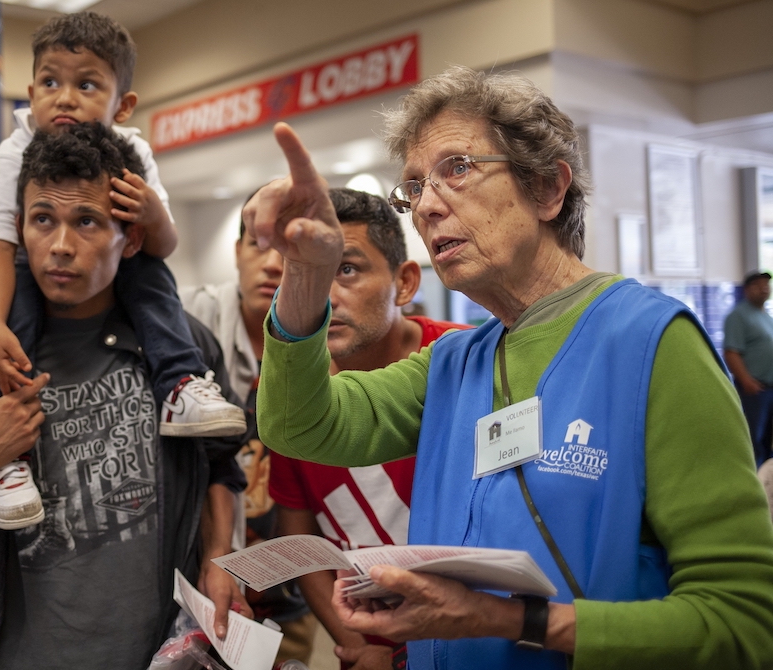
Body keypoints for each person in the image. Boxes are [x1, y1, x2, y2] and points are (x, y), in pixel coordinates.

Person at [246, 66, 773, 670]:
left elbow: (742, 624)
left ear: (548, 189)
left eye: (458, 169)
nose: (428, 208)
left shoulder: (653, 342)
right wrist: (309, 273)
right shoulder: (453, 362)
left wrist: (506, 621)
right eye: (414, 187)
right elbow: (298, 426)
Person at [0, 123, 248, 670]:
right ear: (18, 229)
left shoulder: (182, 354)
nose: (60, 246)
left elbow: (220, 468)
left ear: (130, 238)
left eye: (86, 221)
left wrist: (221, 554)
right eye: (43, 220)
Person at [0, 12, 244, 530]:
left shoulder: (133, 152)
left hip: (102, 270)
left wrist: (152, 212)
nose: (65, 98)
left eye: (86, 84)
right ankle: (4, 459)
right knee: (10, 325)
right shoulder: (14, 150)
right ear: (31, 91)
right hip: (2, 271)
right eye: (50, 82)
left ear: (123, 105)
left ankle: (179, 384)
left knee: (149, 269)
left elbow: (162, 242)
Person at [267, 187, 468, 670]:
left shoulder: (463, 360)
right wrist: (361, 642)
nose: (324, 295)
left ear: (404, 282)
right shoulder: (289, 391)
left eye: (347, 270)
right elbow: (302, 539)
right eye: (306, 274)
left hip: (472, 634)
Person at [181, 196, 315, 665]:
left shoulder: (328, 339)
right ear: (236, 252)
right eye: (259, 245)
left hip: (291, 595)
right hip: (200, 589)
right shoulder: (189, 325)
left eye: (290, 251)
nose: (274, 265)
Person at [723, 270, 773, 466]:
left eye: (765, 285)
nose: (763, 289)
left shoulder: (765, 316)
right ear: (746, 290)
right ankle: (754, 484)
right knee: (754, 439)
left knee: (767, 439)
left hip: (769, 389)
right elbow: (731, 352)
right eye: (757, 285)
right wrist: (746, 381)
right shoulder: (738, 316)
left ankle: (767, 484)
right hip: (754, 390)